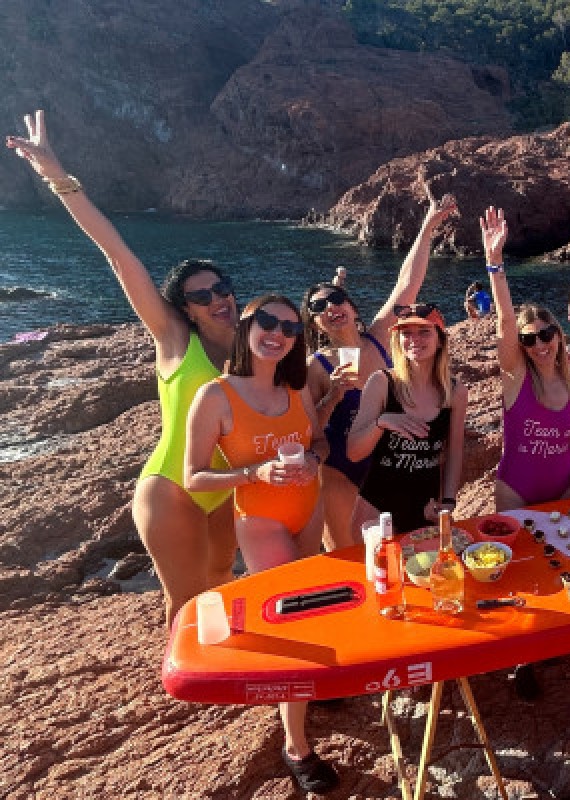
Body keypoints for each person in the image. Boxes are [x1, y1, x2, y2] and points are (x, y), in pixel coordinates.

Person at [6, 109, 238, 625]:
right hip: (173, 489)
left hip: (226, 488)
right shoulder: (176, 339)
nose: (216, 299)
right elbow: (118, 254)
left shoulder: (257, 344)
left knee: (222, 584)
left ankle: (219, 680)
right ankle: (187, 693)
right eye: (201, 296)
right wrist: (57, 178)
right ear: (186, 309)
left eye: (222, 288)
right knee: (185, 603)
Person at [183, 295, 337, 793]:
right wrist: (252, 471)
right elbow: (193, 476)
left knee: (320, 608)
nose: (279, 334)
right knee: (294, 624)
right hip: (261, 519)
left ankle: (311, 693)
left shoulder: (295, 388)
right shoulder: (216, 396)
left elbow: (319, 442)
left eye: (290, 328)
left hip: (307, 510)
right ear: (249, 325)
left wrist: (314, 460)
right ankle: (296, 745)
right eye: (268, 322)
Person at [302, 186, 457, 549]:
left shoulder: (379, 338)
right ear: (315, 324)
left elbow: (407, 282)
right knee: (353, 557)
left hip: (392, 465)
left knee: (407, 549)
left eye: (336, 298)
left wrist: (428, 226)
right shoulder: (318, 366)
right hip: (341, 470)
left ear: (353, 307)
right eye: (317, 306)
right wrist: (333, 396)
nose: (329, 307)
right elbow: (308, 432)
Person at [482, 207, 570, 510]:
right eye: (528, 339)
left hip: (567, 491)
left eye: (546, 335)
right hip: (515, 493)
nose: (540, 344)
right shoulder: (515, 378)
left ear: (559, 335)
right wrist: (495, 264)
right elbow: (506, 320)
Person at [346, 303, 467, 533]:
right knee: (381, 569)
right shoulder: (381, 383)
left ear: (440, 339)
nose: (414, 339)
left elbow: (454, 451)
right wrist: (382, 422)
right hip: (376, 513)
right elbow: (354, 452)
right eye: (406, 333)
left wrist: (449, 503)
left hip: (426, 509)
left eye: (424, 332)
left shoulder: (455, 392)